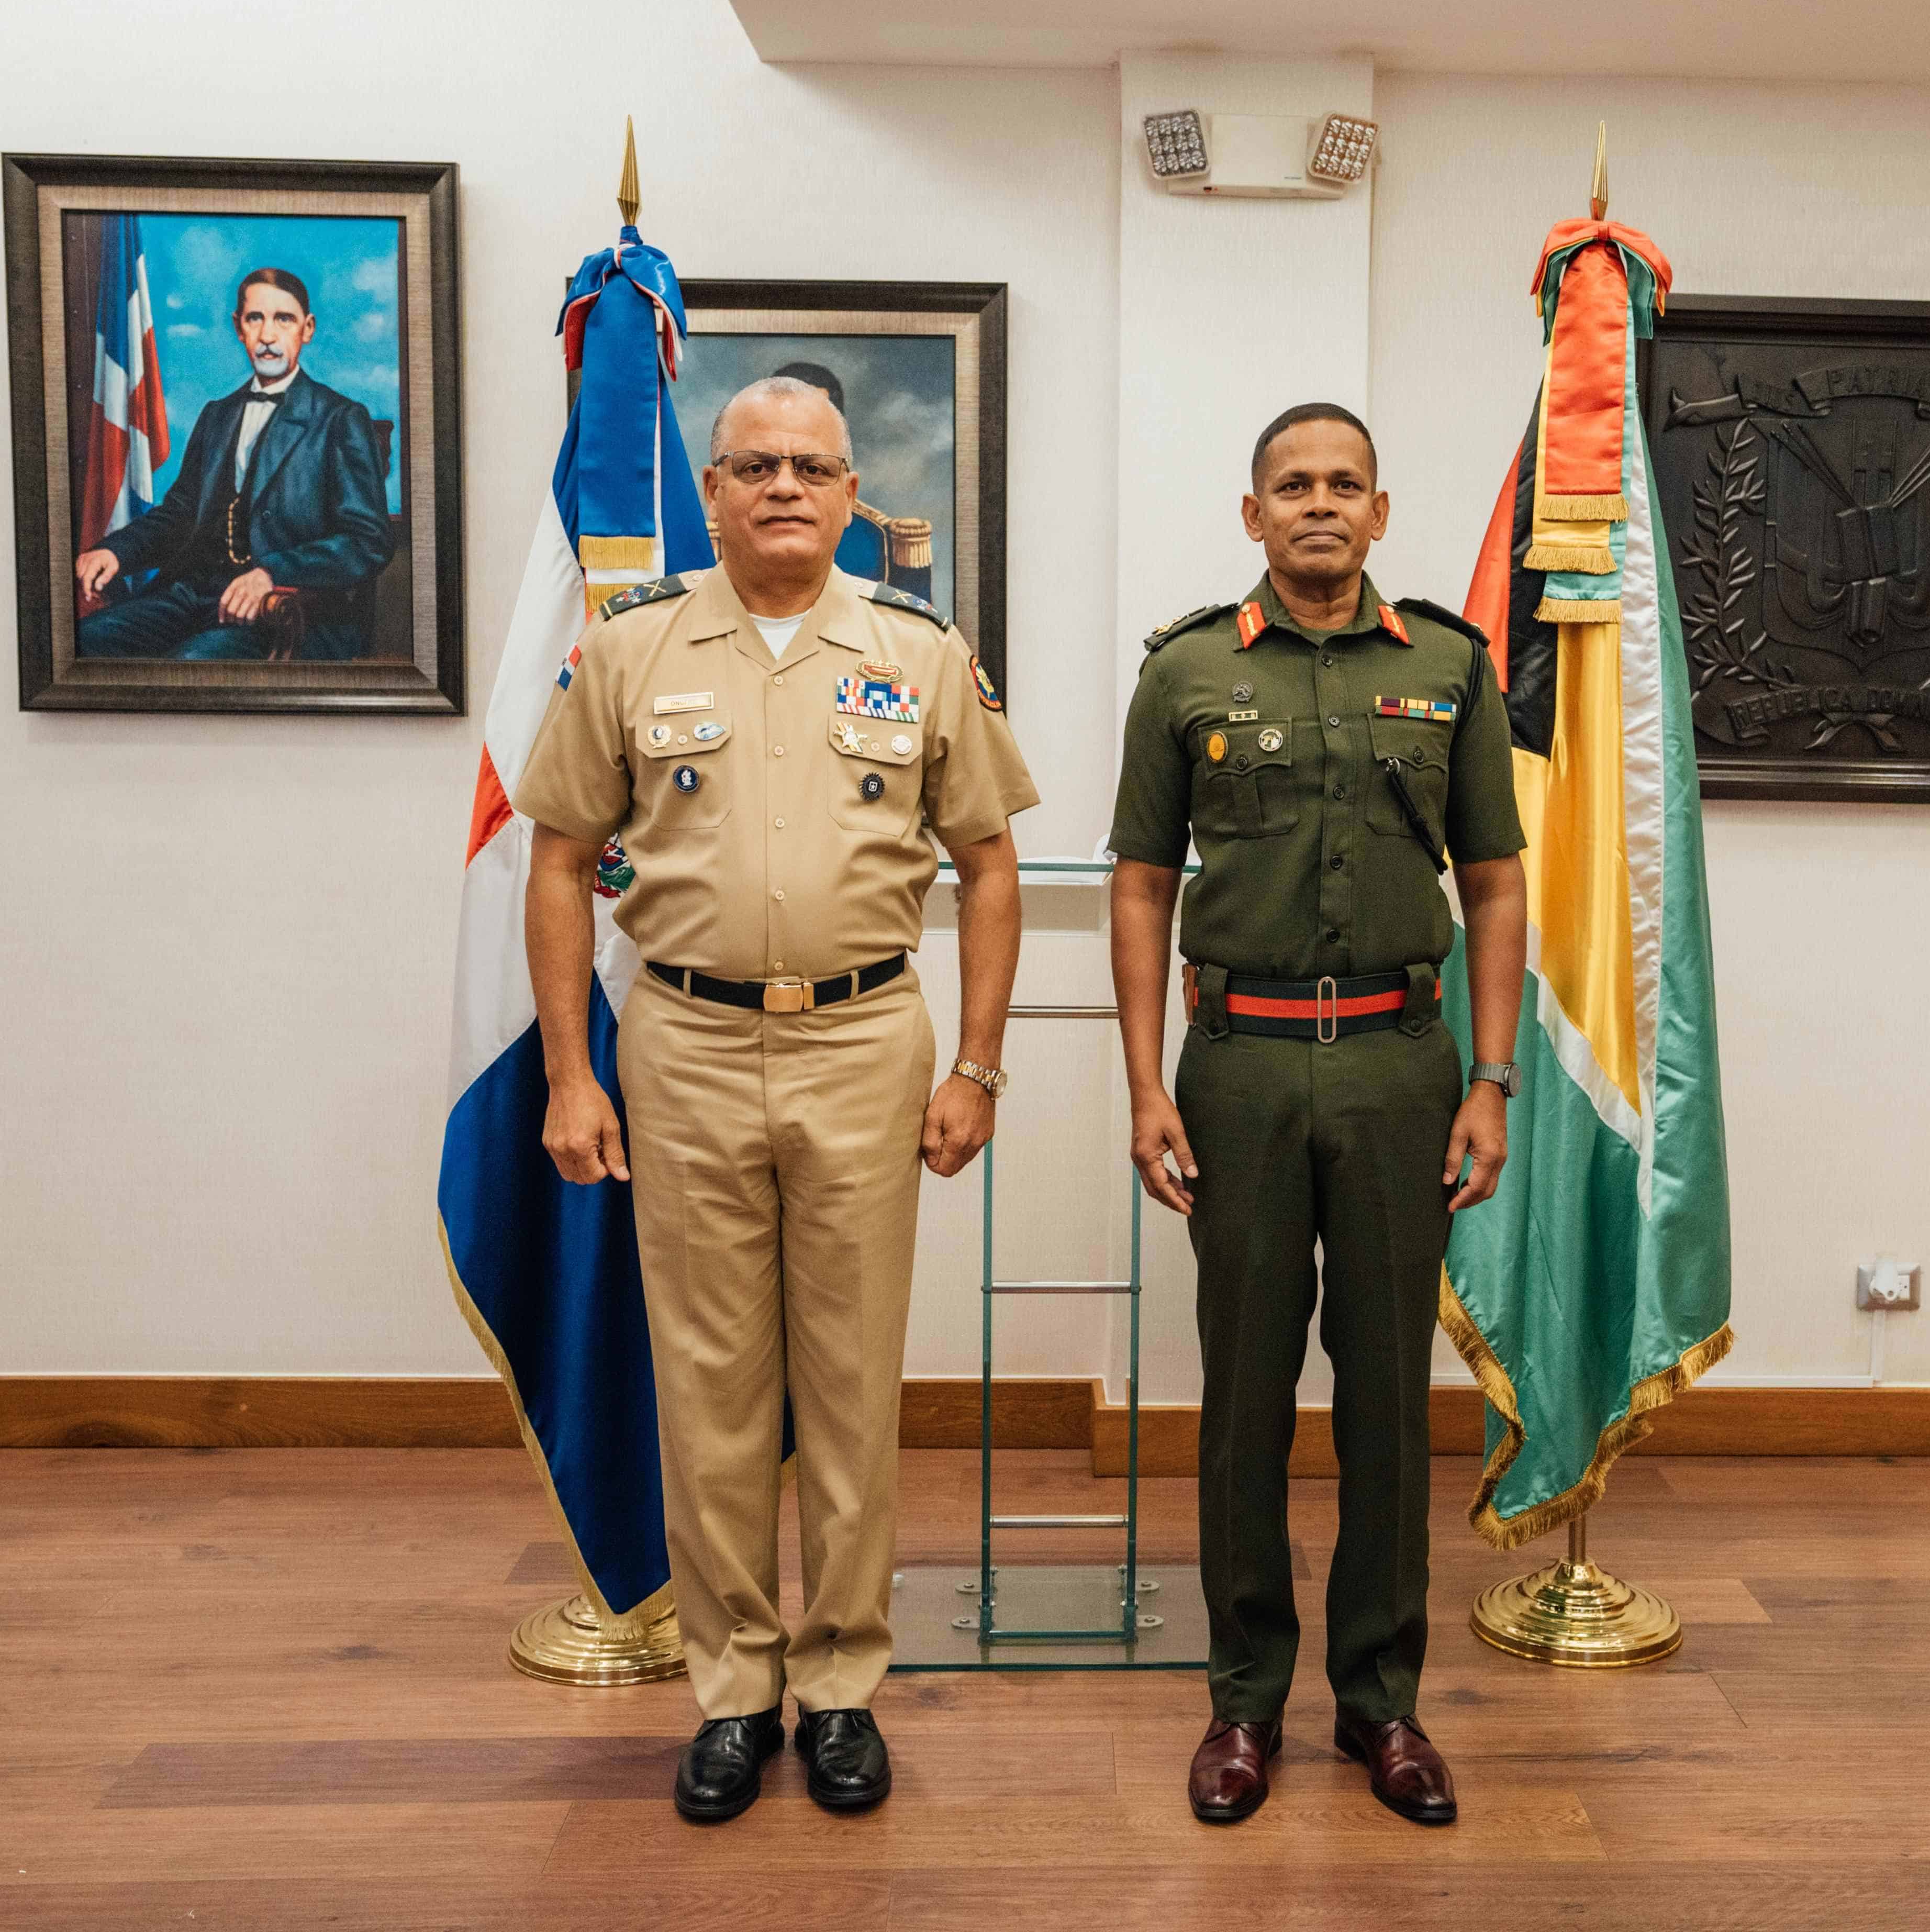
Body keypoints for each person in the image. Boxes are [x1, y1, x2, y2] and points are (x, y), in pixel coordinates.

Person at [514, 374, 1036, 1823]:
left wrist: (977, 1062)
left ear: (853, 494)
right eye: (757, 465)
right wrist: (571, 1071)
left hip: (867, 1045)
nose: (787, 487)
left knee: (856, 1381)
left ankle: (847, 1685)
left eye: (814, 466)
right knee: (712, 1383)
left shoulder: (921, 652)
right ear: (716, 489)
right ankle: (737, 1689)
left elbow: (987, 864)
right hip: (680, 1047)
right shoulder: (629, 651)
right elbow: (558, 861)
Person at [1107, 402, 1530, 1827]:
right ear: (1253, 516)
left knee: (1387, 1408)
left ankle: (1382, 1705)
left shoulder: (1453, 669)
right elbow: (1139, 883)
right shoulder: (1185, 671)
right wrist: (1143, 1077)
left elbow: (1495, 881)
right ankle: (1243, 1705)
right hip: (1237, 1067)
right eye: (1293, 485)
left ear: (1381, 510)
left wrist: (1492, 1076)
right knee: (1240, 1402)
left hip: (1405, 1069)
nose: (1319, 505)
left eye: (1344, 483)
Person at [74, 268, 396, 659]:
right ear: (238, 327)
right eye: (255, 318)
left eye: (284, 319)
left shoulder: (340, 419)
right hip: (197, 594)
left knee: (193, 666)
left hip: (284, 611)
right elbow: (179, 515)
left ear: (307, 329)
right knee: (88, 640)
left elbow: (367, 542)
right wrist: (116, 552)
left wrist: (274, 573)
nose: (268, 336)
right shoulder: (217, 415)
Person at [766, 359, 935, 604]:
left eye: (813, 422)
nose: (798, 435)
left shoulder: (890, 540)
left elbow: (915, 637)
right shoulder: (727, 536)